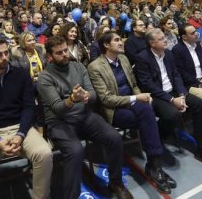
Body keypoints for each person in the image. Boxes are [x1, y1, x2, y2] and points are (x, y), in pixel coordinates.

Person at [37, 36, 133, 199]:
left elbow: (94, 94)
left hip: (84, 116)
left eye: (66, 50)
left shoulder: (79, 67)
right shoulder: (45, 77)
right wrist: (72, 99)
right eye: (59, 53)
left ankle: (116, 182)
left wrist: (88, 96)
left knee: (114, 138)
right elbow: (58, 109)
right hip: (60, 122)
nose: (65, 54)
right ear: (50, 56)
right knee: (75, 151)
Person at [88, 32, 174, 194]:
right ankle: (154, 165)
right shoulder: (95, 66)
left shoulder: (124, 59)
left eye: (121, 39)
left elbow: (134, 84)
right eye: (117, 40)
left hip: (132, 103)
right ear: (106, 45)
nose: (121, 42)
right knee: (146, 115)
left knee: (146, 109)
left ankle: (154, 164)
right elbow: (107, 99)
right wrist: (136, 97)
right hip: (114, 110)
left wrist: (141, 97)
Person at [0, 36, 52, 199]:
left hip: (21, 127)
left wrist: (20, 135)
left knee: (45, 153)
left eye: (6, 53)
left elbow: (29, 108)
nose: (5, 57)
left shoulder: (21, 75)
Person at [135, 29, 202, 171]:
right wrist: (171, 99)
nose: (166, 40)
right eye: (161, 38)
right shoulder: (143, 57)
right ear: (152, 43)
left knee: (199, 104)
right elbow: (147, 84)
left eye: (165, 37)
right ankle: (159, 134)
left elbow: (176, 75)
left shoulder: (168, 54)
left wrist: (181, 94)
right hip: (157, 95)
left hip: (175, 92)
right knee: (172, 115)